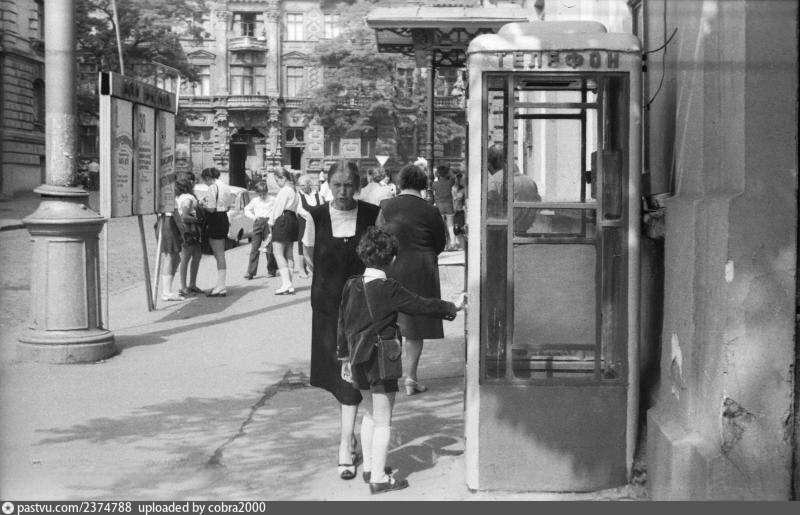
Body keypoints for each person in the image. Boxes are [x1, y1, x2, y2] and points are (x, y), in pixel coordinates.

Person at [337, 227, 466, 494]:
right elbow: (420, 305)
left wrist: (344, 358)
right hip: (381, 360)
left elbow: (342, 322)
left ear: (363, 255)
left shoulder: (351, 284)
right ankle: (379, 480)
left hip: (357, 358)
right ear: (393, 259)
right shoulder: (389, 288)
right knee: (384, 420)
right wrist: (452, 306)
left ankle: (370, 468)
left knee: (369, 414)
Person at [301, 161, 380, 481]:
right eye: (337, 185)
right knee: (339, 378)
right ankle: (349, 437)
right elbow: (309, 254)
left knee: (352, 376)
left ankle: (345, 445)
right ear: (328, 184)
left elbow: (379, 256)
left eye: (348, 185)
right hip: (327, 310)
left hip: (361, 309)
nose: (343, 191)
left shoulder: (372, 215)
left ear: (357, 186)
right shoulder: (316, 217)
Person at [377, 163, 447, 396]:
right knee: (415, 328)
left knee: (392, 323)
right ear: (423, 184)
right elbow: (440, 242)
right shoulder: (431, 210)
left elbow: (378, 237)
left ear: (401, 182)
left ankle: (389, 375)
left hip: (392, 267)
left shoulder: (386, 206)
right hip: (422, 270)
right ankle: (411, 377)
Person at [198, 167, 232, 297]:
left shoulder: (212, 187)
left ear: (208, 178)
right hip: (223, 218)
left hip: (215, 219)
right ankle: (220, 284)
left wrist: (202, 204)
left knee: (219, 254)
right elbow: (228, 206)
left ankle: (221, 286)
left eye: (204, 180)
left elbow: (211, 209)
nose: (205, 183)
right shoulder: (226, 187)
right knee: (220, 253)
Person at [268, 168, 300, 294]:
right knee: (289, 254)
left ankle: (286, 284)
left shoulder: (284, 190)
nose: (277, 183)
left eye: (277, 180)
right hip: (292, 219)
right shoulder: (294, 190)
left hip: (283, 219)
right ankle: (290, 284)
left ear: (283, 178)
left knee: (278, 252)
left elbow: (278, 208)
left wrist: (271, 223)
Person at [174, 176, 203, 296]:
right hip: (189, 230)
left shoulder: (179, 197)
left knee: (196, 256)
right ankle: (184, 286)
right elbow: (185, 216)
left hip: (188, 229)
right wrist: (198, 220)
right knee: (187, 258)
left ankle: (191, 285)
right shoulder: (188, 198)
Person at [243, 181, 276, 280]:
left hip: (268, 223)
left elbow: (277, 210)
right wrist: (253, 217)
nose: (262, 196)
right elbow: (246, 209)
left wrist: (272, 220)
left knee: (269, 248)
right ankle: (250, 272)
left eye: (264, 194)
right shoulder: (255, 200)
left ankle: (271, 270)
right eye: (260, 194)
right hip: (258, 222)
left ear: (267, 191)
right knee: (255, 248)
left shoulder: (273, 200)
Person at [156, 196, 185, 302]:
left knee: (176, 258)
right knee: (170, 256)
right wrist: (182, 230)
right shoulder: (168, 194)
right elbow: (175, 213)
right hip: (169, 223)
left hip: (163, 222)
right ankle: (166, 292)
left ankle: (168, 289)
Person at [296, 174, 323, 278]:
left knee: (315, 244)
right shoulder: (299, 195)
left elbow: (322, 206)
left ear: (309, 184)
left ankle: (313, 268)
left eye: (304, 185)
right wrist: (310, 217)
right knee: (302, 243)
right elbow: (299, 209)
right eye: (300, 185)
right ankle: (301, 269)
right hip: (304, 221)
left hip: (316, 222)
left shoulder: (317, 194)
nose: (302, 187)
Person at [432, 165, 458, 250]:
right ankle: (453, 243)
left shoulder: (435, 184)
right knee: (450, 225)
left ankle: (443, 244)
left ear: (438, 174)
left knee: (441, 227)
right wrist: (449, 171)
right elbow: (454, 177)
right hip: (449, 206)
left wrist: (436, 174)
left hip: (439, 206)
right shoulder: (449, 182)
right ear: (447, 173)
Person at [451, 172, 467, 251]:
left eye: (459, 178)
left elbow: (462, 199)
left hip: (461, 211)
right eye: (457, 178)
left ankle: (463, 246)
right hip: (455, 211)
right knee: (456, 230)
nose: (458, 180)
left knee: (461, 229)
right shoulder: (453, 188)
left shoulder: (463, 189)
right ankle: (459, 245)